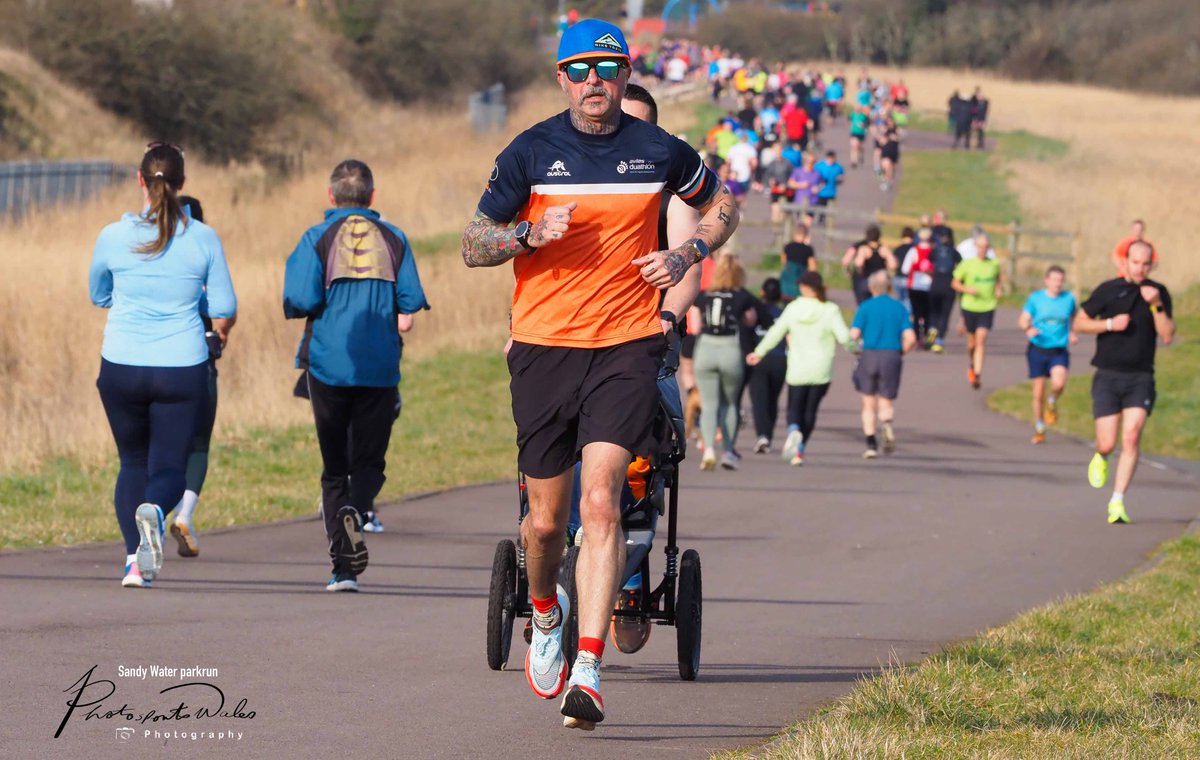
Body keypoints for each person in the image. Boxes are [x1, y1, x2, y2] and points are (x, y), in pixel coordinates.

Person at [459, 19, 737, 730]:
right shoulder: (530, 151)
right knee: (545, 523)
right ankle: (547, 611)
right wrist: (525, 234)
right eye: (579, 70)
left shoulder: (658, 151)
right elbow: (472, 242)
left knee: (604, 503)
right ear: (562, 77)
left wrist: (687, 255)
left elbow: (721, 204)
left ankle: (589, 665)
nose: (593, 82)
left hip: (628, 343)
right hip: (545, 346)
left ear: (623, 75)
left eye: (606, 70)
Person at [89, 142, 237, 588]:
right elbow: (225, 305)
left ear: (140, 180)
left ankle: (134, 563)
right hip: (181, 367)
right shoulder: (204, 238)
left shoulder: (113, 235)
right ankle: (155, 511)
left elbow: (99, 294)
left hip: (121, 364)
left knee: (132, 461)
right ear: (183, 184)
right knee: (169, 466)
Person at [283, 160, 429, 592]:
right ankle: (359, 507)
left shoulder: (316, 238)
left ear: (331, 197)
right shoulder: (394, 237)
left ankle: (342, 569)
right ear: (372, 197)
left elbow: (300, 297)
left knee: (333, 470)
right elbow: (411, 298)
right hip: (380, 367)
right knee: (370, 461)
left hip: (328, 365)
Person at [1073, 242, 1175, 524]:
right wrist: (1108, 325)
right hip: (1107, 374)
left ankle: (1117, 502)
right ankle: (1102, 455)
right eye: (1135, 262)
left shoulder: (1159, 293)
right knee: (1107, 442)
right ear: (1125, 261)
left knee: (1131, 436)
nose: (1140, 268)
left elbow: (1167, 334)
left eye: (1145, 264)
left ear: (1151, 264)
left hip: (1140, 377)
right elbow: (1079, 323)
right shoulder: (1108, 289)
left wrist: (1155, 306)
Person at [748, 271, 851, 465]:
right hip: (821, 368)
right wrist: (854, 348)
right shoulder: (830, 309)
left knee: (794, 408)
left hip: (797, 367)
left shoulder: (793, 308)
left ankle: (793, 430)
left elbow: (776, 333)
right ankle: (799, 451)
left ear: (804, 288)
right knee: (810, 410)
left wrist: (759, 352)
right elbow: (844, 337)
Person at [168, 194, 219, 557]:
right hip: (198, 355)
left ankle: (150, 514)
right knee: (198, 444)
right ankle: (184, 513)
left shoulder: (154, 256)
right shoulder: (204, 253)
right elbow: (223, 307)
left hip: (150, 358)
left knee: (157, 448)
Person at [691, 254, 758, 471]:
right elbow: (751, 320)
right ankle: (728, 450)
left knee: (709, 404)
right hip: (730, 348)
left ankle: (708, 448)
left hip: (706, 349)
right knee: (730, 403)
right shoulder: (743, 297)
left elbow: (696, 326)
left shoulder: (703, 296)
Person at [850, 271, 917, 458]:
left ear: (871, 287)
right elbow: (911, 338)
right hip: (891, 355)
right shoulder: (899, 308)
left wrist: (856, 350)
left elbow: (853, 336)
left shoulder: (865, 307)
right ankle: (886, 423)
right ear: (890, 287)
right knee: (886, 400)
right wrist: (901, 350)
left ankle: (871, 444)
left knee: (868, 402)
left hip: (869, 355)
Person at [1019, 266, 1078, 444]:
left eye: (1061, 280)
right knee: (1038, 394)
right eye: (1054, 279)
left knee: (1059, 383)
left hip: (1058, 350)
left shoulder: (1068, 299)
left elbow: (1074, 318)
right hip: (1038, 348)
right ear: (1046, 280)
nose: (1057, 283)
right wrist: (1028, 328)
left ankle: (1052, 401)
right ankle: (1039, 427)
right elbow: (1023, 319)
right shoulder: (1036, 298)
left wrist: (1073, 332)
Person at [952, 233, 1002, 389]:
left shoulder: (994, 264)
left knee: (981, 339)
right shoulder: (967, 264)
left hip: (987, 306)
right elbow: (954, 283)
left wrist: (998, 289)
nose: (983, 250)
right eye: (980, 247)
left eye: (986, 247)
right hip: (969, 306)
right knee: (972, 343)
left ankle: (978, 374)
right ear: (975, 247)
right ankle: (972, 364)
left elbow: (998, 279)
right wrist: (967, 289)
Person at [748, 278, 787, 454]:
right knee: (772, 399)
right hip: (780, 359)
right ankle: (768, 435)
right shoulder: (783, 313)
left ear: (762, 293)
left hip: (759, 359)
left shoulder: (755, 312)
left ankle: (762, 435)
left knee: (759, 400)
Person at [927, 222, 961, 353]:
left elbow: (929, 262)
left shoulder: (935, 251)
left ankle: (932, 329)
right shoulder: (955, 253)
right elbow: (960, 267)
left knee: (934, 311)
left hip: (935, 284)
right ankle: (939, 341)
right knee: (945, 314)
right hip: (948, 285)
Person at [843, 224, 896, 305]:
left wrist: (850, 272)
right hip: (879, 282)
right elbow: (893, 265)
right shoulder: (884, 249)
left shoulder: (862, 248)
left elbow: (856, 263)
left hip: (865, 280)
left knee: (863, 305)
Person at [901, 227, 935, 345]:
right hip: (929, 286)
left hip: (915, 285)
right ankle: (925, 336)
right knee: (927, 313)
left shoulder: (913, 251)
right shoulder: (933, 251)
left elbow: (905, 269)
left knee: (916, 313)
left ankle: (916, 336)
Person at [779, 223, 817, 300]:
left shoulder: (787, 247)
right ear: (806, 235)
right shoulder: (808, 249)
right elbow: (813, 268)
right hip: (801, 282)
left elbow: (783, 262)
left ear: (794, 234)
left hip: (787, 283)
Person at [813, 150, 845, 217]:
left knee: (831, 207)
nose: (831, 160)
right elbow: (814, 175)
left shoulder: (838, 166)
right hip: (821, 191)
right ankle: (821, 218)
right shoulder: (820, 165)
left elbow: (842, 176)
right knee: (822, 206)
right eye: (830, 158)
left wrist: (840, 180)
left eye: (833, 158)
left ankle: (829, 220)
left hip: (832, 191)